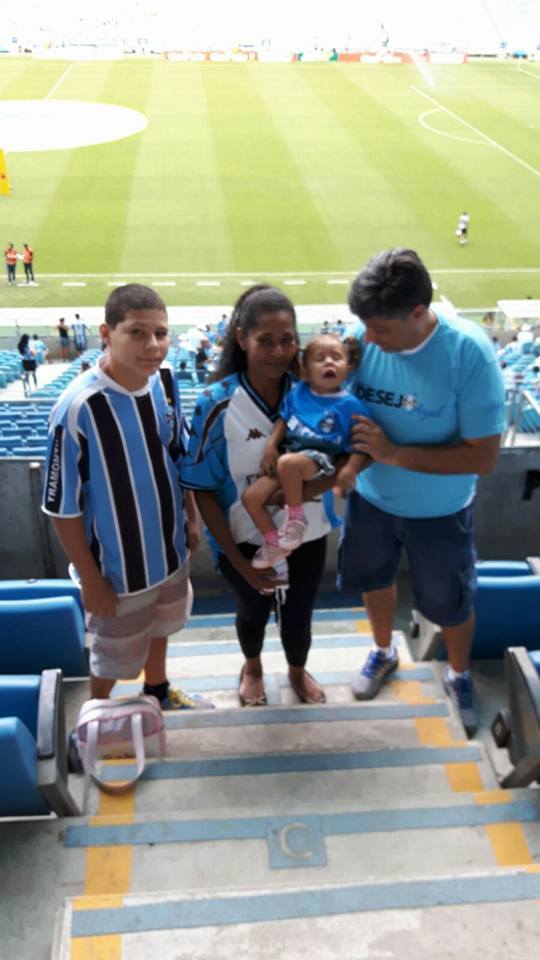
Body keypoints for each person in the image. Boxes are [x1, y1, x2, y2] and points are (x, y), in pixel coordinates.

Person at [340, 249, 506, 735]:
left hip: (441, 511)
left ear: (418, 313)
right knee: (375, 580)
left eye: (380, 329)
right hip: (371, 501)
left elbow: (484, 457)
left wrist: (394, 453)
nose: (367, 339)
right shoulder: (360, 338)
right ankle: (383, 651)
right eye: (364, 326)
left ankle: (458, 675)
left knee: (449, 602)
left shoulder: (468, 353)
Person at [42, 283, 213, 714]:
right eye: (137, 333)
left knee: (161, 627)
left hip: (171, 553)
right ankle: (94, 712)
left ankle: (156, 689)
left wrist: (191, 518)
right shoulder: (77, 407)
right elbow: (63, 508)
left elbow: (179, 454)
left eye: (160, 333)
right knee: (112, 657)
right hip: (116, 574)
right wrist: (92, 579)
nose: (152, 345)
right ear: (106, 333)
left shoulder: (167, 381)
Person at [180, 285, 335, 707]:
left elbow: (339, 464)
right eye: (264, 340)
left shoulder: (315, 396)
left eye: (287, 340)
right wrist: (236, 561)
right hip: (244, 541)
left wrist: (300, 491)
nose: (277, 351)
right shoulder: (217, 403)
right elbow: (204, 490)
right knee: (252, 612)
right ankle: (252, 667)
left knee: (299, 616)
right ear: (241, 338)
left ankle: (297, 672)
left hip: (309, 534)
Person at [242, 334, 369, 568]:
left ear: (347, 367)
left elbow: (362, 443)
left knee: (288, 463)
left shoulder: (350, 405)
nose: (329, 362)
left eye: (336, 357)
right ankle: (273, 544)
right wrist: (271, 446)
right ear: (306, 370)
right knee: (251, 498)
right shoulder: (299, 392)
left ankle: (296, 521)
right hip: (290, 457)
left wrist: (350, 468)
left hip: (321, 458)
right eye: (320, 359)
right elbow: (284, 419)